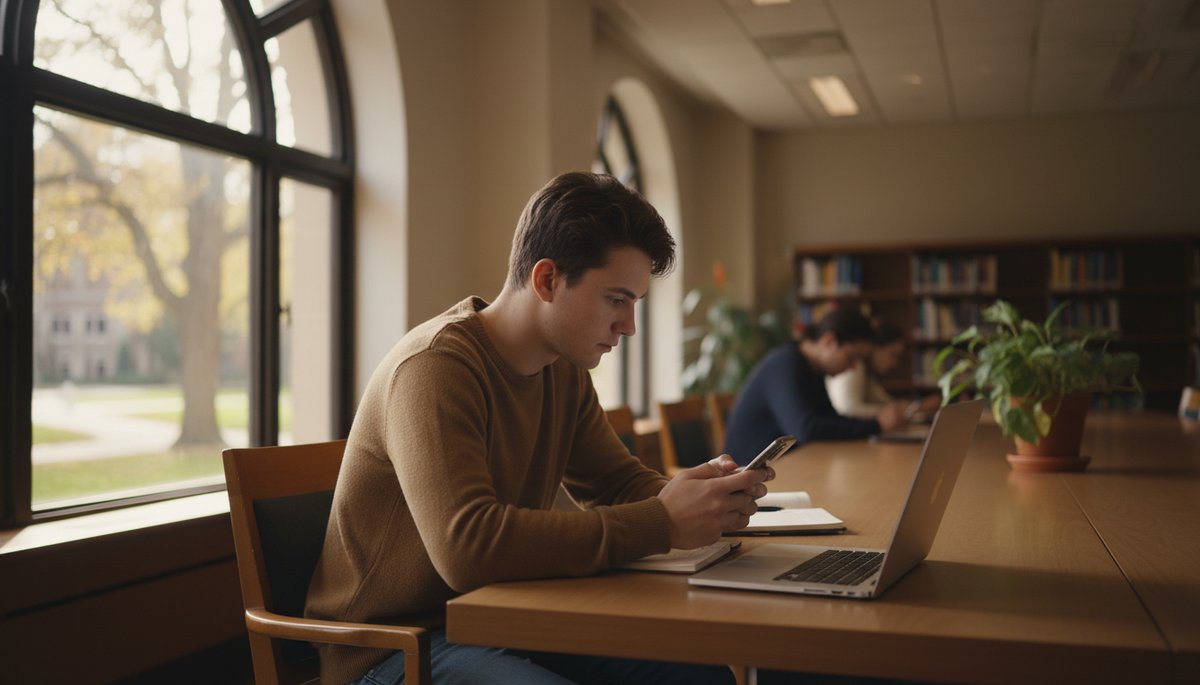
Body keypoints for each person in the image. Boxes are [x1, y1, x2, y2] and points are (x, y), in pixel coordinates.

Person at [305, 172, 772, 685]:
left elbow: (615, 483)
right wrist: (661, 521)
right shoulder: (434, 368)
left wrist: (701, 500)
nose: (629, 326)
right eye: (616, 300)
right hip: (391, 648)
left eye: (634, 303)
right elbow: (468, 547)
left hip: (501, 613)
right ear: (547, 279)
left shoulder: (561, 370)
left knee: (700, 675)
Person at [722, 307, 908, 465]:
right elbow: (805, 429)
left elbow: (830, 418)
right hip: (747, 476)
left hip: (785, 467)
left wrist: (875, 424)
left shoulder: (813, 369)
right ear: (829, 341)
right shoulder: (786, 363)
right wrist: (877, 425)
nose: (853, 367)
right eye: (852, 357)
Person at [827, 321, 940, 422]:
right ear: (875, 348)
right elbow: (848, 409)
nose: (895, 363)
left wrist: (917, 407)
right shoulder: (854, 366)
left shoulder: (867, 373)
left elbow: (887, 404)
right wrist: (906, 411)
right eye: (893, 354)